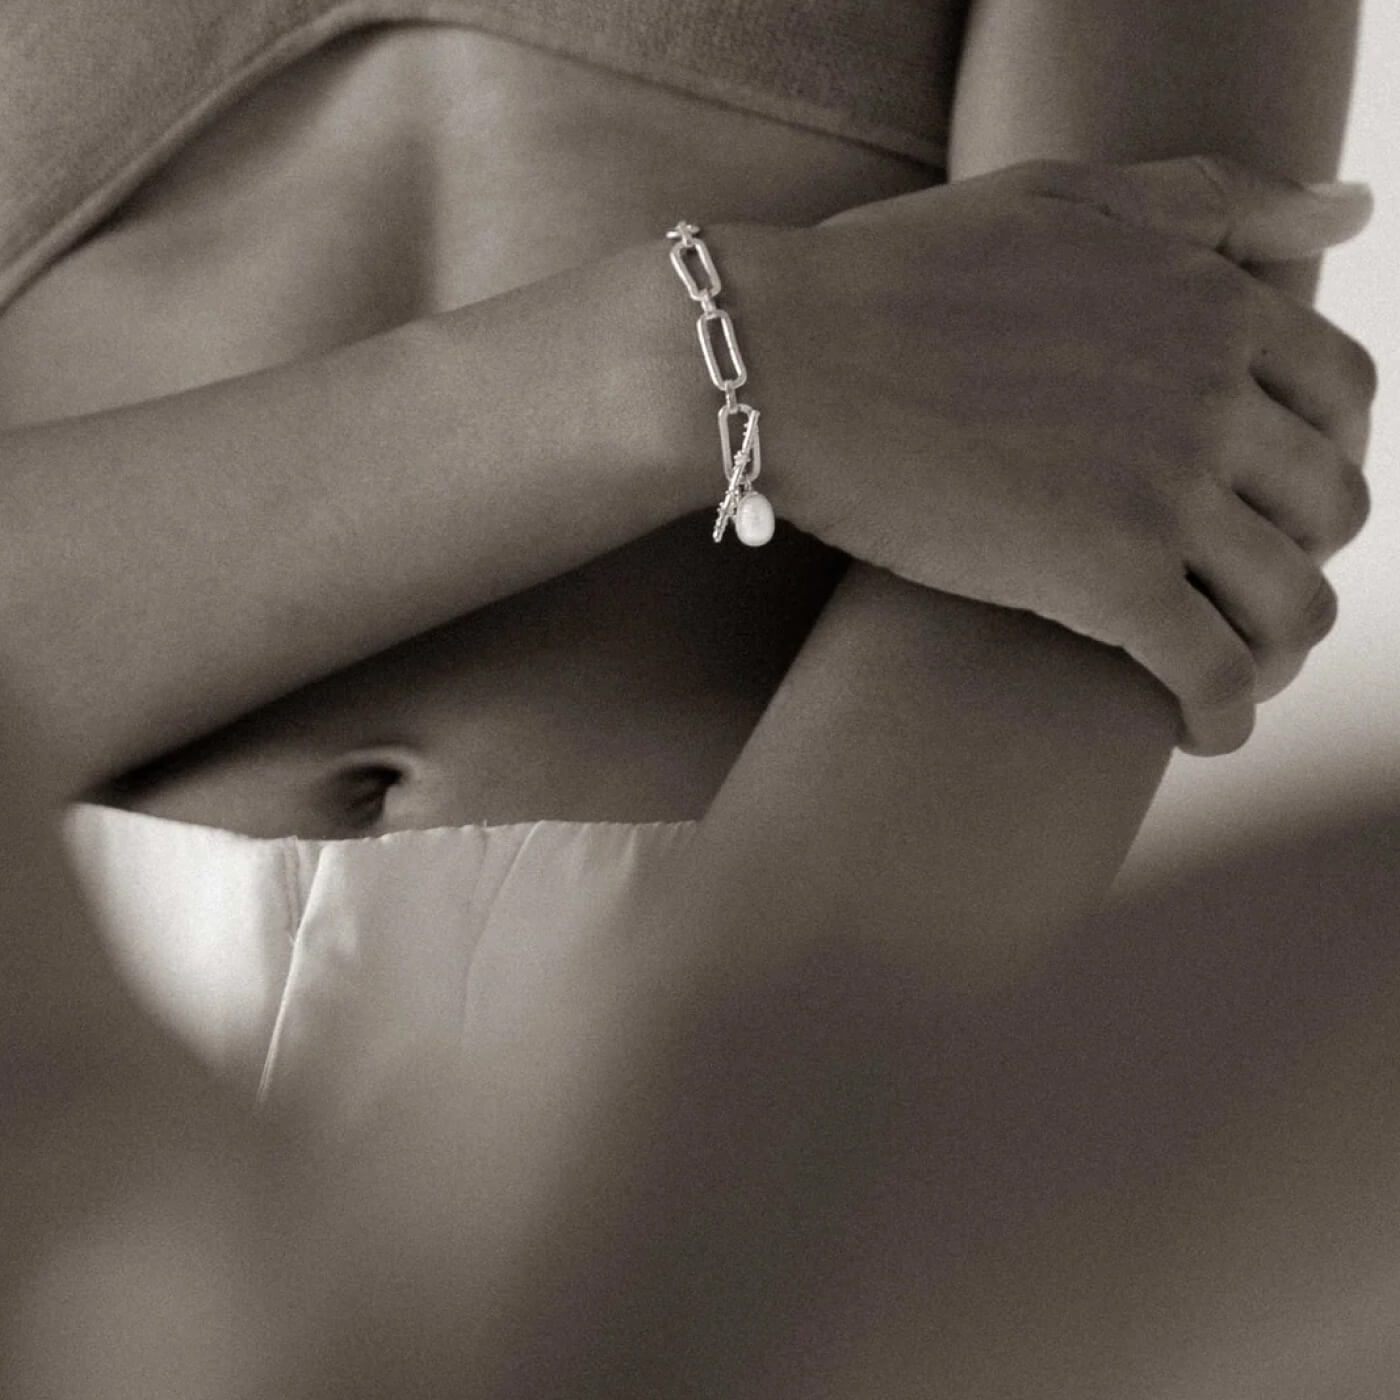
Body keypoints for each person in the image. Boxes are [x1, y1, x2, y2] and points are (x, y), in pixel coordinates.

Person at [0, 0, 1382, 1386]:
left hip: (751, 1013)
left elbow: (1130, 465)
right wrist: (709, 356)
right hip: (50, 1020)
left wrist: (670, 1176)